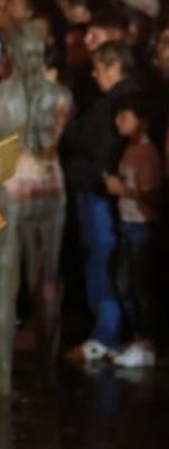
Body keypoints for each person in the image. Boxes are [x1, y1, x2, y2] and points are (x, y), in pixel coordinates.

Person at [0, 22, 72, 394]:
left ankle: (4, 378)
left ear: (8, 53)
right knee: (45, 282)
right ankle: (48, 370)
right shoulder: (62, 96)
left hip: (9, 187)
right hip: (50, 186)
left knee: (4, 285)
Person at [61, 41, 141, 363]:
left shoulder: (118, 101)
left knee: (102, 262)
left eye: (98, 69)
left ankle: (106, 335)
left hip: (99, 193)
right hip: (93, 189)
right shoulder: (110, 100)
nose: (94, 76)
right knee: (100, 262)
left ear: (113, 66)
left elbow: (89, 141)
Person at [103, 93, 161, 368]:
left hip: (141, 226)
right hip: (127, 224)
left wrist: (121, 189)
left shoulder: (147, 153)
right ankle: (137, 338)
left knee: (139, 286)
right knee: (126, 284)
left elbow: (152, 195)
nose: (118, 122)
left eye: (124, 116)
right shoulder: (129, 149)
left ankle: (147, 343)